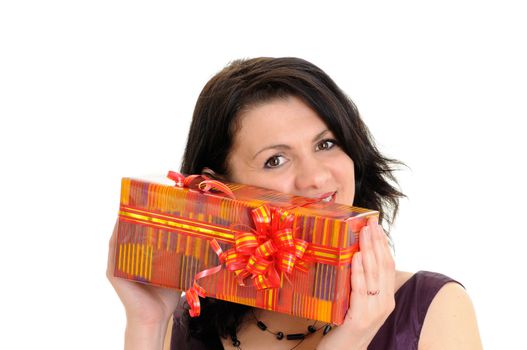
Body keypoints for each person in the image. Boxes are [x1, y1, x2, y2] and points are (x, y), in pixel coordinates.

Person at [107, 57, 483, 349]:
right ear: (219, 187)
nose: (317, 177)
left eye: (326, 144)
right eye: (276, 159)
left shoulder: (432, 311)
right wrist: (148, 322)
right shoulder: (190, 319)